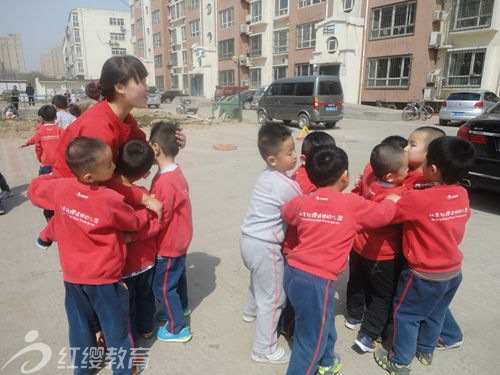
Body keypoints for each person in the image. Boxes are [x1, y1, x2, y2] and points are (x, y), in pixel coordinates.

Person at [27, 136, 149, 375]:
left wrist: (45, 237)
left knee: (80, 325)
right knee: (116, 326)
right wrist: (148, 212)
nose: (114, 166)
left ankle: (82, 369)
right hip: (105, 279)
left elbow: (54, 216)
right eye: (109, 165)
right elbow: (133, 222)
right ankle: (125, 369)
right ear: (89, 177)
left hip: (73, 278)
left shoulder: (62, 189)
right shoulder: (110, 200)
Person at [281, 144, 399, 375]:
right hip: (317, 282)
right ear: (345, 176)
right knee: (309, 343)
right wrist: (391, 200)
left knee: (322, 322)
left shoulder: (304, 200)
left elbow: (286, 212)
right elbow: (382, 216)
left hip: (293, 272)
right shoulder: (351, 205)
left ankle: (326, 362)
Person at [374, 136, 475, 374]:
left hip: (422, 274)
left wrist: (390, 199)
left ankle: (399, 361)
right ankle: (426, 350)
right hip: (452, 272)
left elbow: (390, 215)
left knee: (405, 315)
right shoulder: (461, 192)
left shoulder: (417, 198)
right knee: (435, 312)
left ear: (433, 169)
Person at [50, 55, 184, 216]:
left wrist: (171, 143)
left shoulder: (126, 119)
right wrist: (145, 199)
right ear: (120, 87)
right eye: (140, 81)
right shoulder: (99, 127)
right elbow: (103, 181)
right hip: (78, 200)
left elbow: (144, 154)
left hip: (100, 189)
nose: (147, 88)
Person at [240, 124, 301, 364]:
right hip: (266, 247)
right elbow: (305, 205)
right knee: (274, 298)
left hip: (247, 240)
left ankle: (249, 311)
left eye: (294, 149)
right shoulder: (286, 186)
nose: (295, 155)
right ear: (272, 159)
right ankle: (263, 349)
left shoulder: (266, 176)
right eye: (289, 152)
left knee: (258, 281)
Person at [346, 143, 409, 353]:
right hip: (382, 255)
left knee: (357, 281)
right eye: (406, 169)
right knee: (382, 297)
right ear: (391, 176)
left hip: (358, 245)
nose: (409, 172)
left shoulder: (370, 177)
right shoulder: (400, 194)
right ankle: (367, 336)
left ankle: (354, 316)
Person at [280, 131, 336, 338]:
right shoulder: (308, 185)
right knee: (299, 299)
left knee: (293, 294)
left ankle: (287, 324)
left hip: (296, 246)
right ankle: (290, 326)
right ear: (304, 160)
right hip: (297, 248)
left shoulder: (303, 175)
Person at [148, 121, 193, 343]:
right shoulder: (176, 173)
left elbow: (160, 218)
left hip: (168, 243)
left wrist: (141, 232)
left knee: (163, 285)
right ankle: (180, 307)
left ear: (155, 148)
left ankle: (178, 327)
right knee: (177, 278)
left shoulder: (165, 182)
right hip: (181, 239)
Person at [114, 139, 159, 342]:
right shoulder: (145, 195)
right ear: (144, 174)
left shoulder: (109, 194)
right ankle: (147, 327)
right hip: (147, 261)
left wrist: (129, 237)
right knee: (146, 296)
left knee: (127, 302)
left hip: (124, 266)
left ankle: (130, 333)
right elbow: (155, 224)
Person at [30, 105, 64, 176]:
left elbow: (38, 148)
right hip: (59, 163)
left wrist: (41, 159)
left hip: (46, 163)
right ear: (56, 117)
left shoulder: (39, 132)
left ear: (41, 117)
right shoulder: (61, 131)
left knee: (44, 183)